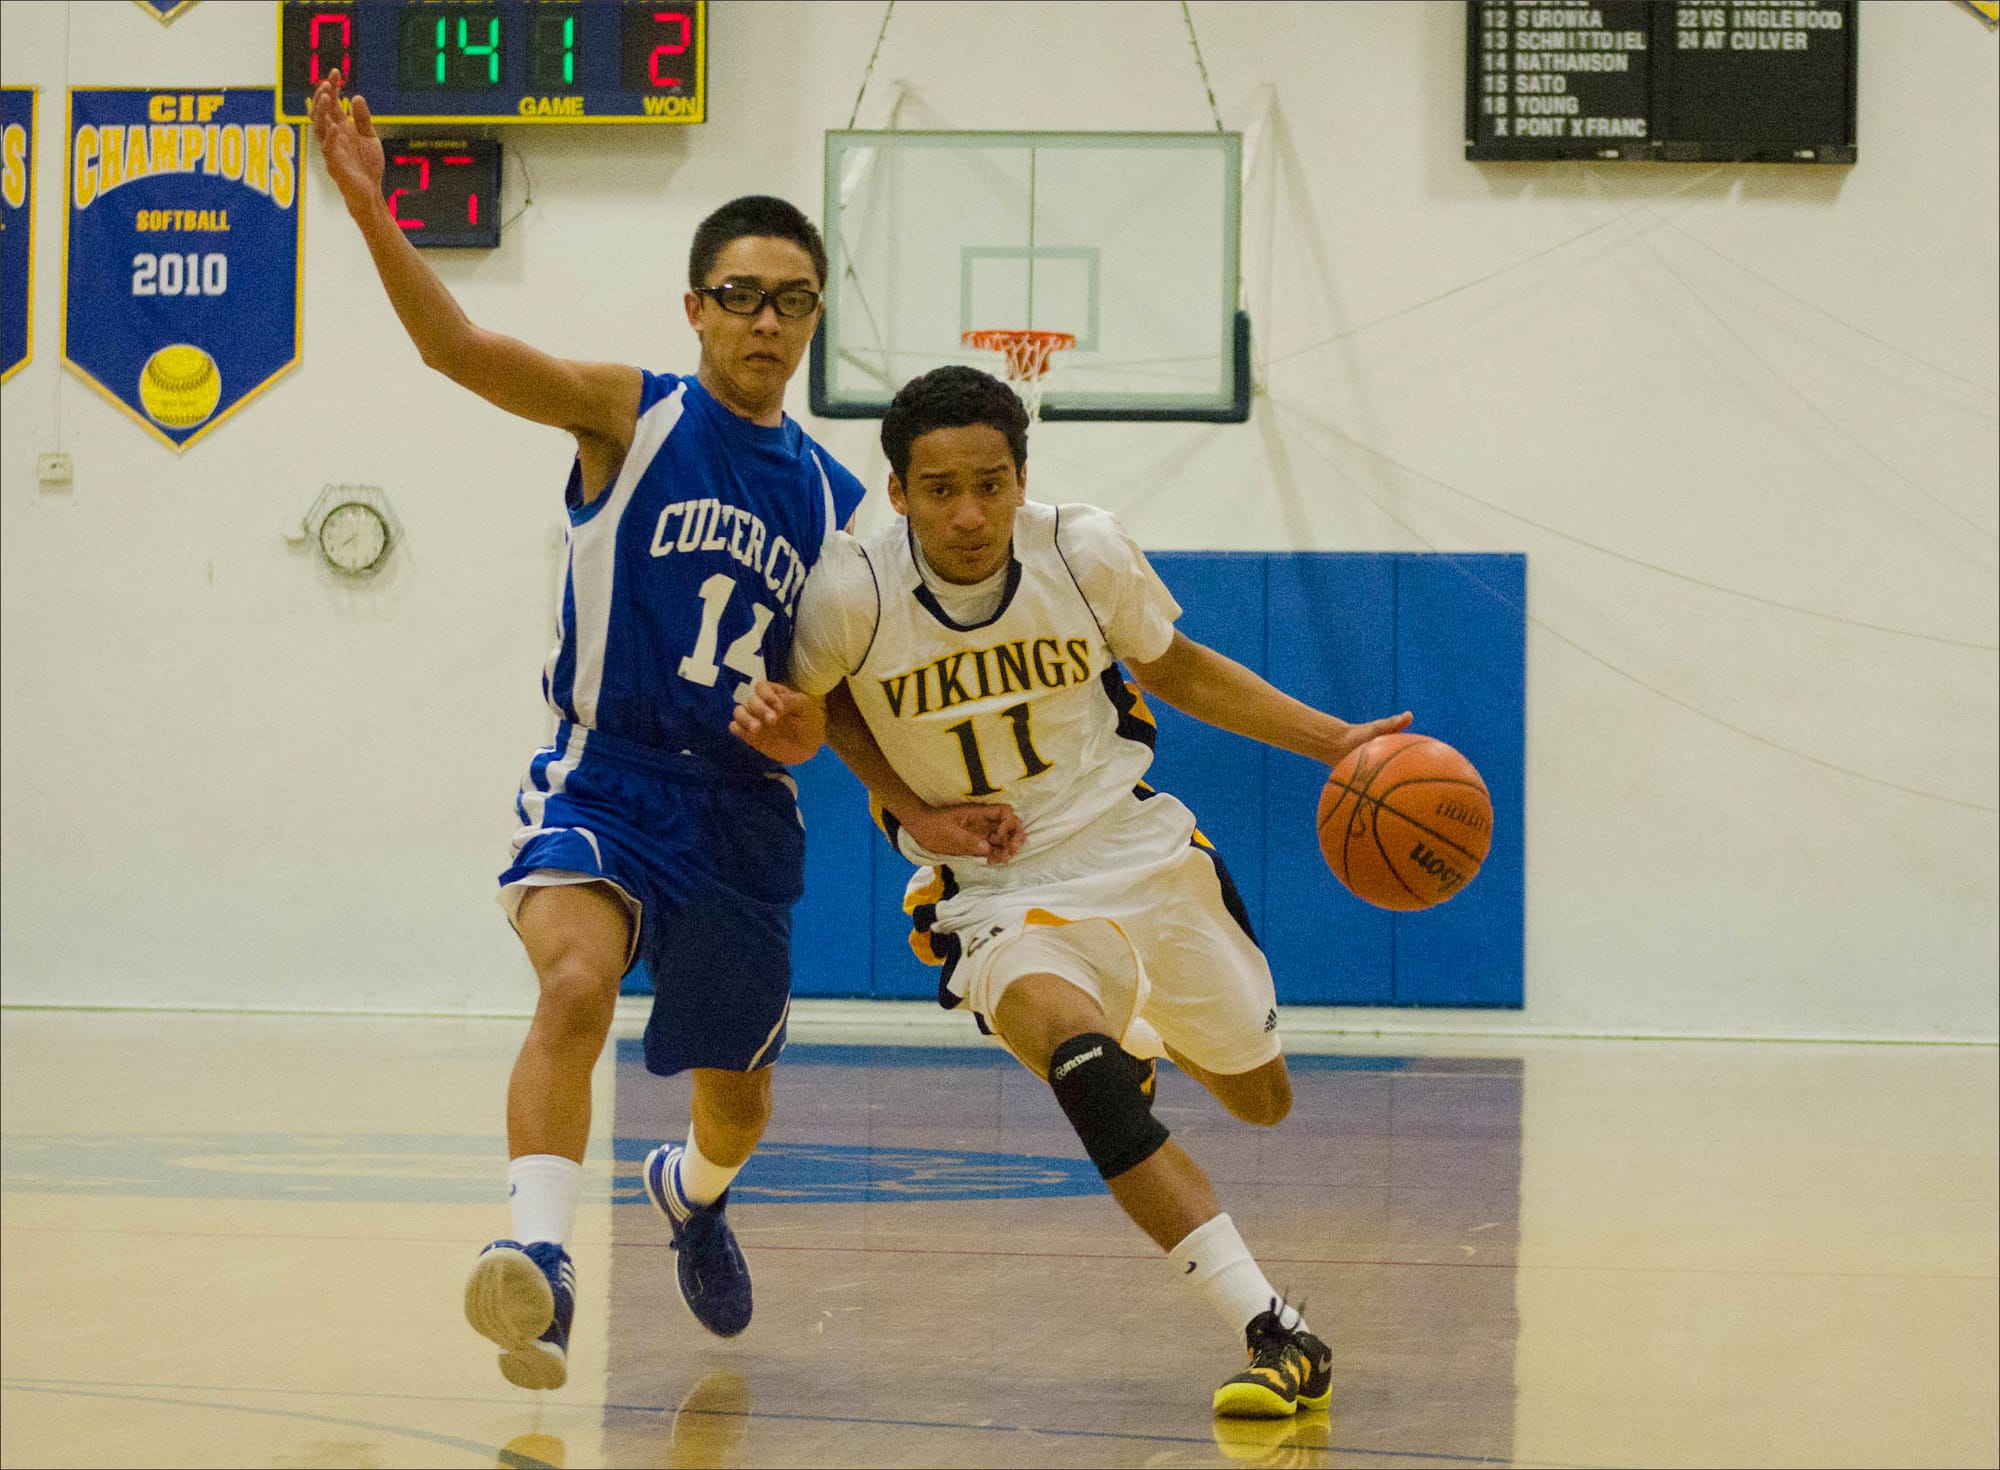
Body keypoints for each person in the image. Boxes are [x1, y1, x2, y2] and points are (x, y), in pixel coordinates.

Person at [308, 78, 1015, 1390]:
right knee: (573, 981)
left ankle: (690, 1189)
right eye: (739, 293)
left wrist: (878, 784)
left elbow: (843, 695)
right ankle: (542, 1264)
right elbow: (458, 350)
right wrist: (369, 210)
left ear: (812, 320)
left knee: (734, 1094)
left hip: (745, 815)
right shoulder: (625, 415)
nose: (764, 318)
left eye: (790, 298)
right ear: (695, 307)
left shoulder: (836, 500)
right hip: (608, 777)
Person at [733, 366, 1413, 1419]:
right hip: (992, 886)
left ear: (1020, 480)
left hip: (1134, 849)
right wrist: (911, 809)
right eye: (941, 486)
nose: (968, 512)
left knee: (1259, 1098)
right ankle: (1272, 1328)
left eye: (991, 483)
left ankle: (1141, 1027)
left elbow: (1176, 668)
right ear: (899, 489)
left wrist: (1335, 742)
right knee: (1081, 1065)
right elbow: (826, 712)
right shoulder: (848, 591)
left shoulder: (1081, 550)